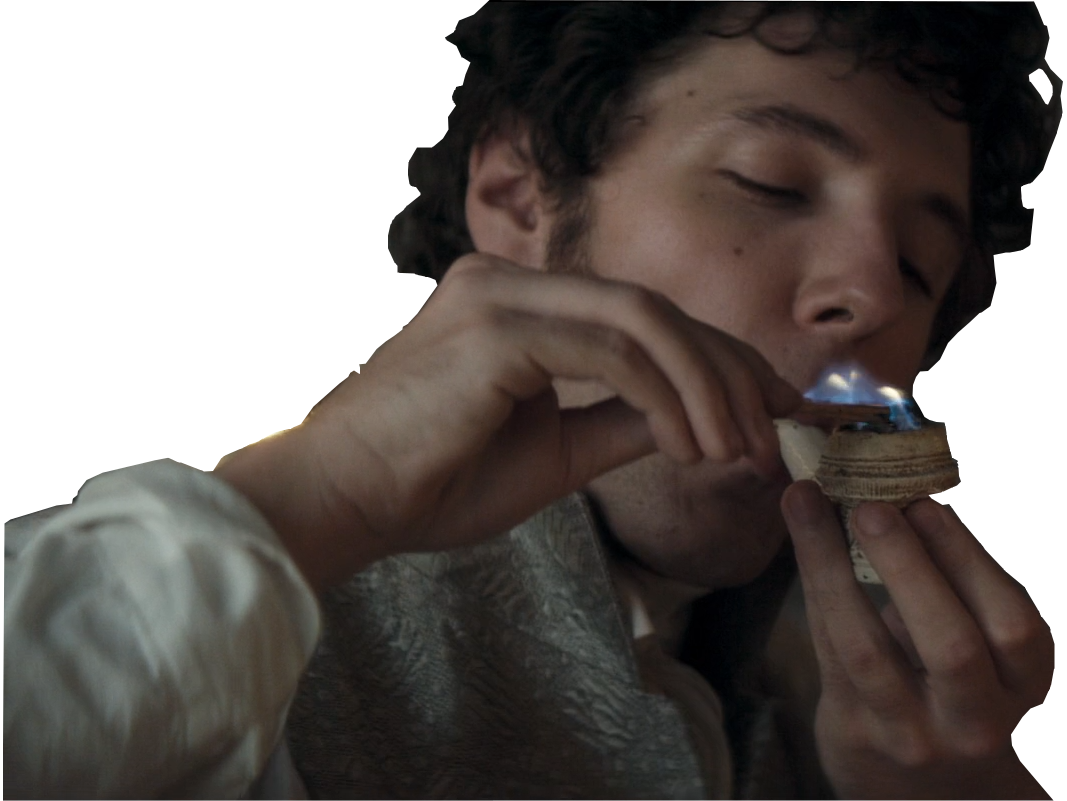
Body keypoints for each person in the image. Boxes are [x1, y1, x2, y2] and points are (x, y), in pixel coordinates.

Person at [4, 4, 1059, 799]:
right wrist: (316, 498)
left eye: (918, 265)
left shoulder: (879, 734)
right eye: (770, 183)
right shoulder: (242, 657)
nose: (873, 296)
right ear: (517, 200)